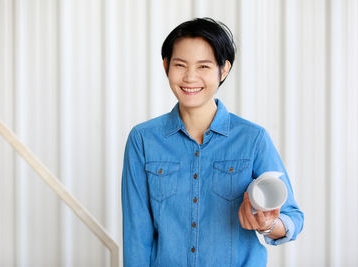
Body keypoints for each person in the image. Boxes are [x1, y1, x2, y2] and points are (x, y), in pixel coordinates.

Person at [122, 17, 304, 267]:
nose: (190, 77)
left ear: (224, 69)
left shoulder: (253, 139)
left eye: (204, 66)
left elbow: (293, 218)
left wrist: (269, 224)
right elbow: (137, 235)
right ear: (166, 66)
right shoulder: (142, 140)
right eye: (180, 65)